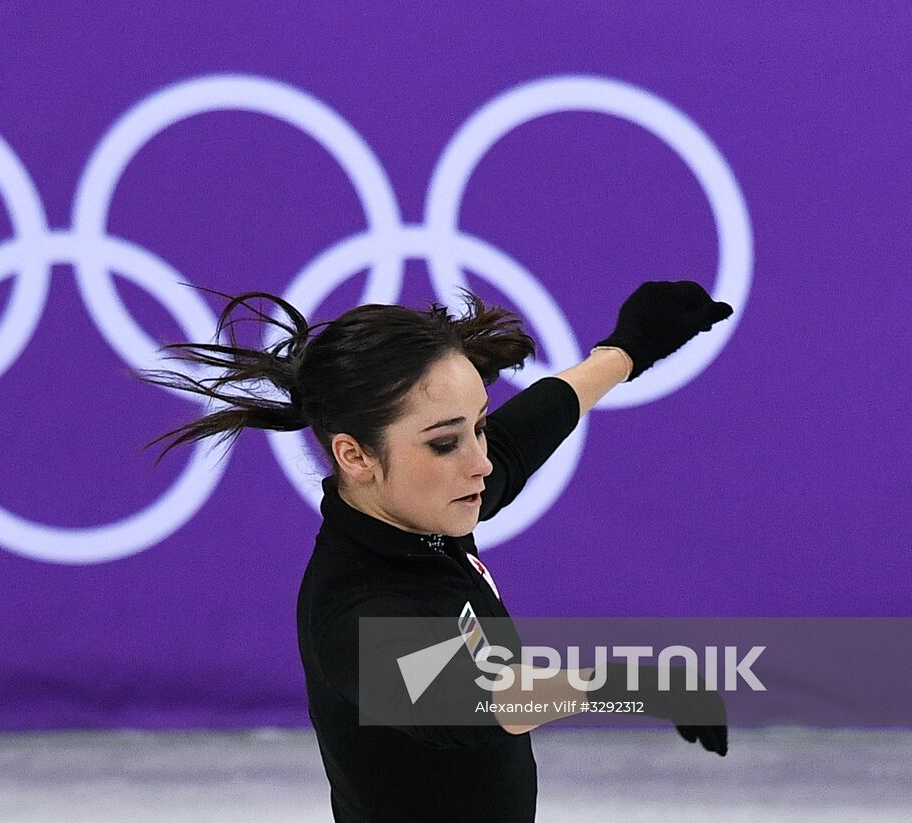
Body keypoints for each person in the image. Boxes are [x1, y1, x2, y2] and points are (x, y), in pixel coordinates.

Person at [137, 281, 733, 822]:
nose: (480, 461)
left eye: (478, 425)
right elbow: (480, 695)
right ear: (355, 456)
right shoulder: (356, 611)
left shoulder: (422, 510)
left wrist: (627, 348)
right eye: (446, 442)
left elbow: (534, 425)